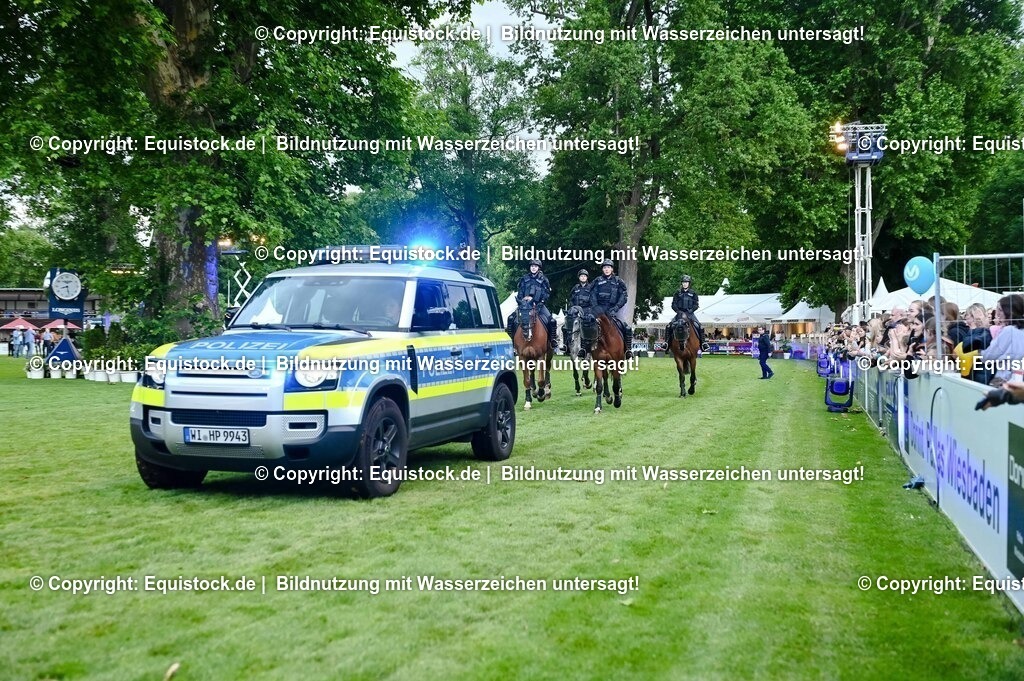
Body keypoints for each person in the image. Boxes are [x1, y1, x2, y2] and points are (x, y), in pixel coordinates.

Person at [505, 259, 558, 350]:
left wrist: (540, 303)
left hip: (539, 305)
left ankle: (552, 341)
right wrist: (523, 300)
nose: (533, 268)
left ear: (538, 268)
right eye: (532, 266)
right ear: (530, 267)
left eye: (535, 266)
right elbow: (520, 292)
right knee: (511, 318)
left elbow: (546, 293)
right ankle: (512, 341)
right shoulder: (524, 279)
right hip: (525, 306)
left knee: (552, 321)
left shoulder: (544, 279)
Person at [590, 259, 634, 359]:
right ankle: (585, 349)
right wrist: (596, 308)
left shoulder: (618, 281)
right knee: (588, 323)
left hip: (614, 309)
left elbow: (623, 296)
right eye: (605, 268)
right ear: (602, 269)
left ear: (612, 269)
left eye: (608, 267)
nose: (606, 269)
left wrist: (616, 308)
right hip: (599, 310)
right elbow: (592, 295)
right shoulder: (597, 281)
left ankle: (628, 350)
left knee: (626, 327)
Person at [979, 294, 1024, 385]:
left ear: (1009, 311)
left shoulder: (1009, 331)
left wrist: (979, 353)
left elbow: (989, 355)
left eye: (1000, 310)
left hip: (1004, 379)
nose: (997, 314)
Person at [666, 274, 710, 352]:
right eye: (683, 282)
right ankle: (666, 343)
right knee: (669, 326)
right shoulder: (677, 293)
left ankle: (703, 343)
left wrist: (690, 311)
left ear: (689, 283)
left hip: (690, 314)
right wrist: (678, 311)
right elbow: (673, 304)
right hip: (679, 314)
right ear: (681, 283)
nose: (684, 284)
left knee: (699, 326)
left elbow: (696, 305)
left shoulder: (693, 293)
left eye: (686, 282)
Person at [563, 268, 593, 354]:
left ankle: (585, 347)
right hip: (576, 310)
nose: (583, 277)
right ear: (579, 277)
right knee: (566, 326)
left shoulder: (591, 288)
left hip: (586, 311)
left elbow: (593, 301)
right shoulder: (575, 288)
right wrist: (572, 307)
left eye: (584, 276)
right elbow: (571, 299)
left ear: (587, 278)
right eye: (581, 276)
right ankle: (566, 345)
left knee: (587, 326)